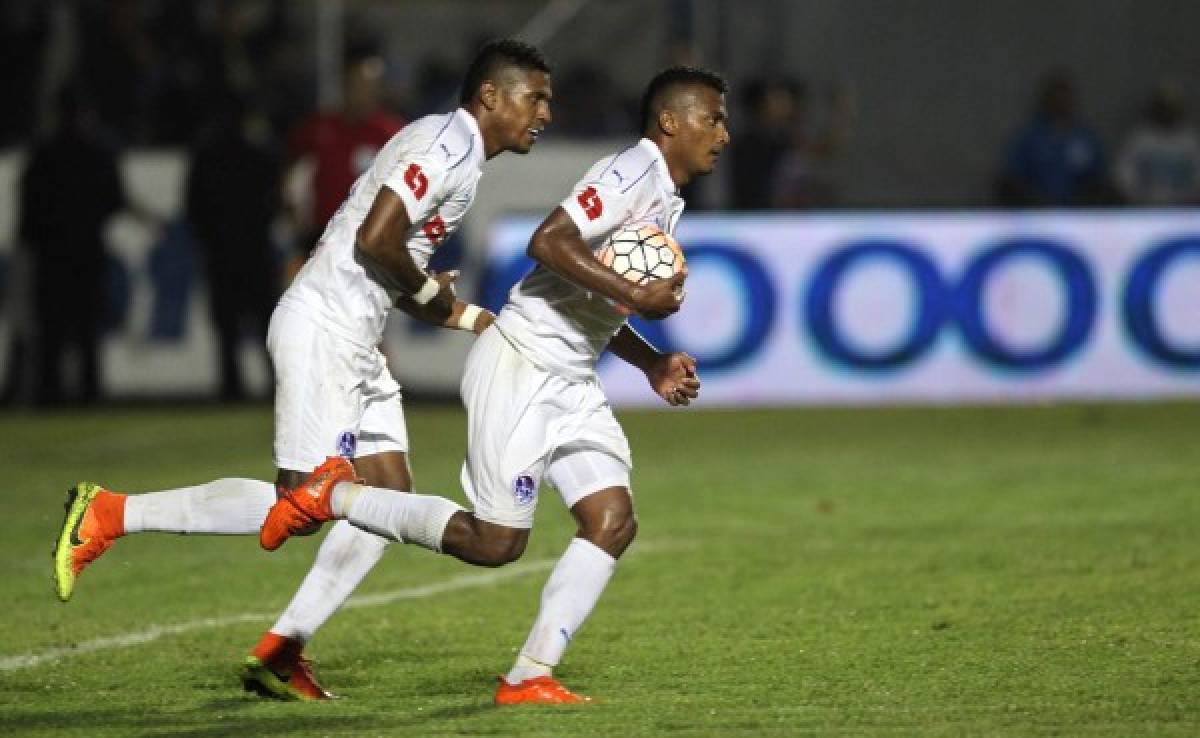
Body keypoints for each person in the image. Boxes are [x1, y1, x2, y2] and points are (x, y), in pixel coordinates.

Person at [52, 39, 554, 700]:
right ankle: (112, 513)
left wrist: (464, 317)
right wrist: (433, 295)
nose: (545, 110)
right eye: (535, 96)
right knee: (306, 503)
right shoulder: (447, 148)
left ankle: (282, 649)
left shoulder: (451, 150)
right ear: (491, 95)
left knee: (382, 504)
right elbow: (377, 240)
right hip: (325, 329)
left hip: (357, 338)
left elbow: (380, 256)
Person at [260, 66, 730, 704]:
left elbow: (587, 295)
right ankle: (337, 499)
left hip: (570, 375)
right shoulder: (630, 173)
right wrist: (635, 295)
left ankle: (530, 674)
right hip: (525, 365)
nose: (724, 134)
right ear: (671, 121)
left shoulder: (664, 196)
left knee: (612, 519)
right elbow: (549, 242)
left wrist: (649, 362)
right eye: (714, 118)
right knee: (494, 543)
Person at [20, 86, 129, 407]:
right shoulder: (96, 153)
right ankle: (88, 395)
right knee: (85, 331)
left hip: (52, 255)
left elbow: (29, 210)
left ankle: (49, 395)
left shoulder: (44, 154)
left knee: (52, 332)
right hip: (85, 253)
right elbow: (114, 199)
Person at [185, 97, 283, 401]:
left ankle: (232, 388)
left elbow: (194, 208)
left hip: (222, 254)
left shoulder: (207, 157)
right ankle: (279, 387)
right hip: (254, 251)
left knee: (227, 327)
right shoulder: (259, 155)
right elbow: (275, 200)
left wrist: (209, 240)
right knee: (267, 325)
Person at [996, 71, 1113, 207]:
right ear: (1046, 100)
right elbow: (1013, 176)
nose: (1061, 102)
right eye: (1056, 97)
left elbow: (1098, 176)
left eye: (1065, 98)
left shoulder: (1086, 138)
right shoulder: (1029, 137)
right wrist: (1034, 200)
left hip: (1078, 211)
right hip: (1036, 209)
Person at [1114, 82, 1200, 206]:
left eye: (1171, 107)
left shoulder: (1190, 140)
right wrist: (1139, 197)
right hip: (1146, 208)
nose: (1167, 111)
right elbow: (1122, 178)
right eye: (1163, 106)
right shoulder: (1140, 138)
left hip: (1183, 209)